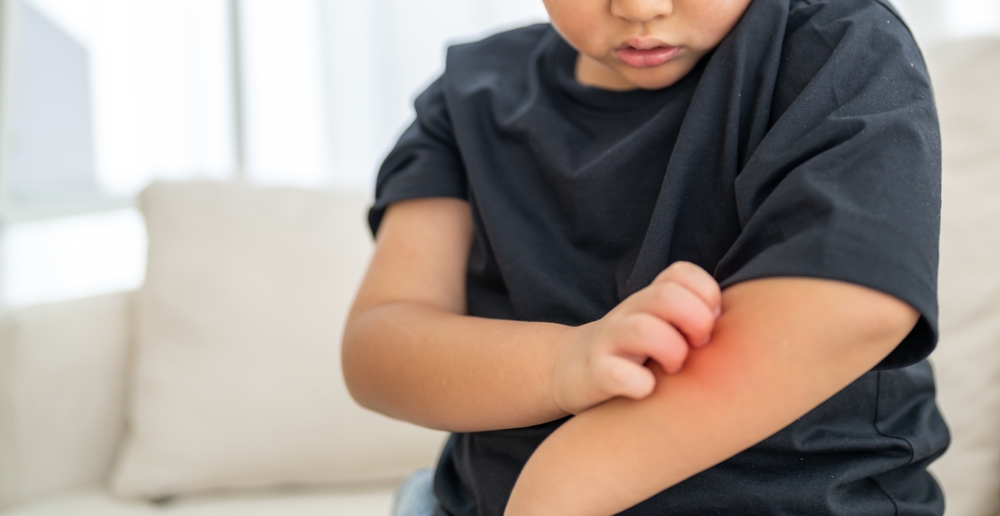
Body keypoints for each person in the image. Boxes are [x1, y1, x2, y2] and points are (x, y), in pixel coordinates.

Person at [342, 0, 949, 514]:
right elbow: (379, 343)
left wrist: (564, 483)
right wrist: (562, 365)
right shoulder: (466, 95)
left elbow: (853, 306)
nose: (640, 7)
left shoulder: (836, 44)